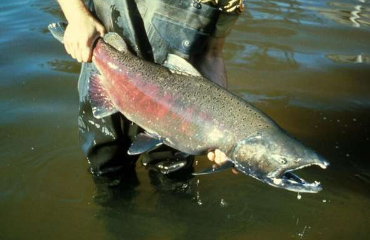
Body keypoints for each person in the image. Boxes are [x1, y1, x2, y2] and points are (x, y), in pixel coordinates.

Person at [56, 0, 243, 182]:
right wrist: (77, 16)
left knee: (173, 179)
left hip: (178, 109)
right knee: (108, 170)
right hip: (109, 72)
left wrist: (220, 124)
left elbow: (212, 54)